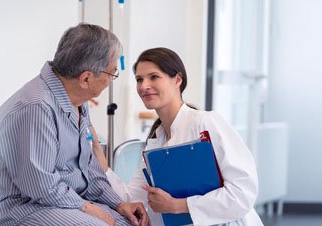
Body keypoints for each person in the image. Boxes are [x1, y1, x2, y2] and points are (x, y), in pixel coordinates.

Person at [0, 23, 149, 226]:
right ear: (86, 78)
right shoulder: (35, 108)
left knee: (132, 223)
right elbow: (40, 186)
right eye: (111, 74)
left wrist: (118, 204)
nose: (111, 80)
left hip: (58, 202)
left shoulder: (78, 103)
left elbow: (89, 170)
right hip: (18, 208)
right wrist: (87, 208)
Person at [93, 47, 264, 226]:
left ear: (177, 79)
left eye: (154, 77)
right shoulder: (155, 143)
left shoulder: (206, 122)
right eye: (139, 79)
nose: (144, 86)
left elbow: (243, 193)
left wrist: (178, 205)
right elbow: (132, 199)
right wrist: (102, 163)